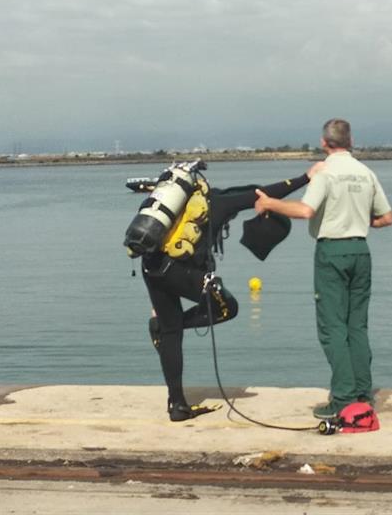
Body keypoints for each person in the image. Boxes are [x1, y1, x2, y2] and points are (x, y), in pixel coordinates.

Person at [137, 162, 323, 422]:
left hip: (151, 267)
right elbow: (261, 192)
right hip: (180, 271)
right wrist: (306, 178)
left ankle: (177, 405)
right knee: (227, 307)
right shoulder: (217, 202)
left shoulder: (163, 205)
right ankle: (171, 326)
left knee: (169, 332)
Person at [254, 119, 392, 419]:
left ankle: (342, 398)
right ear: (351, 140)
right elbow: (386, 218)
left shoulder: (325, 171)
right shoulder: (366, 173)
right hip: (360, 250)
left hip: (332, 251)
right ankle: (362, 392)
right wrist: (355, 217)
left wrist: (270, 204)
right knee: (357, 325)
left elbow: (306, 211)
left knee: (332, 327)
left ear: (323, 142)